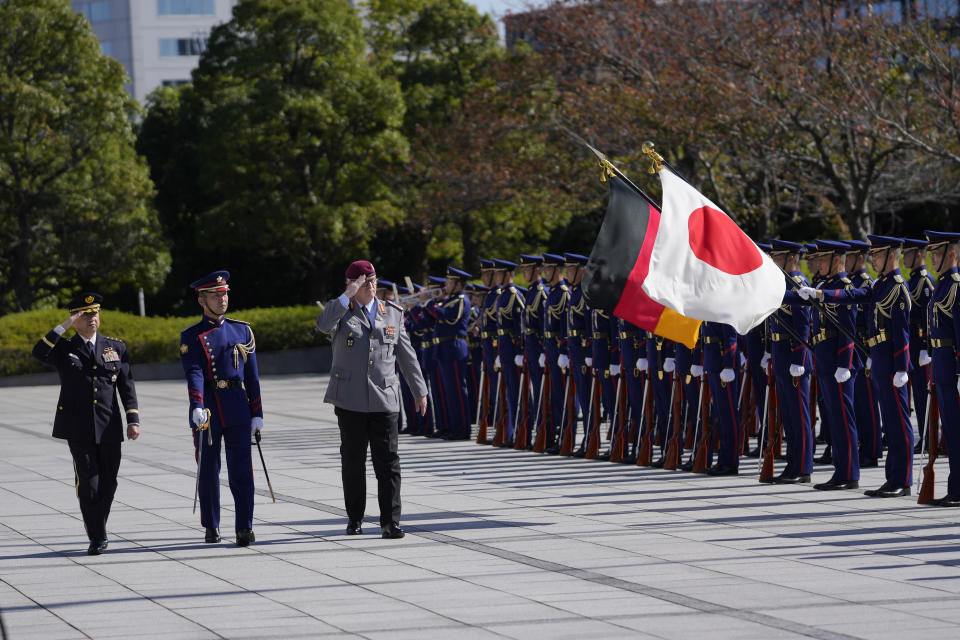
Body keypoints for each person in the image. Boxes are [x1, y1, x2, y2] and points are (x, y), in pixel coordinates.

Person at [316, 260, 428, 538]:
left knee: (388, 462)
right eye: (363, 282)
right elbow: (322, 324)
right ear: (351, 284)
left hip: (384, 398)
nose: (370, 287)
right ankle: (354, 519)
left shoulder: (392, 313)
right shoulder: (341, 311)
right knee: (353, 462)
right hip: (350, 400)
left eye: (373, 281)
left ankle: (390, 522)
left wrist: (419, 390)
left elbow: (406, 354)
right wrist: (349, 293)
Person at [799, 235, 913, 497]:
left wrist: (902, 368)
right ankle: (892, 477)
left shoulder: (897, 287)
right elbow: (855, 295)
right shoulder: (882, 285)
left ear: (891, 256)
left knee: (898, 423)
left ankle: (903, 479)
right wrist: (819, 294)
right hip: (880, 360)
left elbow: (903, 332)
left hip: (893, 366)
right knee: (891, 422)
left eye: (878, 254)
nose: (873, 259)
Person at [32, 292, 140, 555]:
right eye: (86, 315)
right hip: (78, 427)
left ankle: (97, 525)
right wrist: (65, 325)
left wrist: (133, 419)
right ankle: (97, 536)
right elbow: (38, 351)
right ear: (76, 318)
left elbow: (127, 386)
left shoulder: (115, 347)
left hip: (110, 426)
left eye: (95, 314)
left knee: (109, 483)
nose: (92, 319)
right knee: (89, 484)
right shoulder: (64, 349)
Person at [179, 270, 263, 546]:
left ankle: (244, 527)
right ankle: (212, 525)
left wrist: (257, 413)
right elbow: (194, 372)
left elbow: (252, 376)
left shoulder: (242, 330)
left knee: (242, 471)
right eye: (216, 295)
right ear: (202, 300)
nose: (222, 299)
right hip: (210, 410)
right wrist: (197, 405)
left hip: (237, 407)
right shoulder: (192, 335)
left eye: (225, 293)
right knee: (208, 470)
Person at [922, 230, 960, 506]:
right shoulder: (942, 284)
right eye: (932, 252)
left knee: (957, 431)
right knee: (950, 430)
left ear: (952, 254)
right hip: (941, 364)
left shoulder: (956, 285)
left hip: (952, 368)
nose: (933, 257)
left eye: (937, 252)